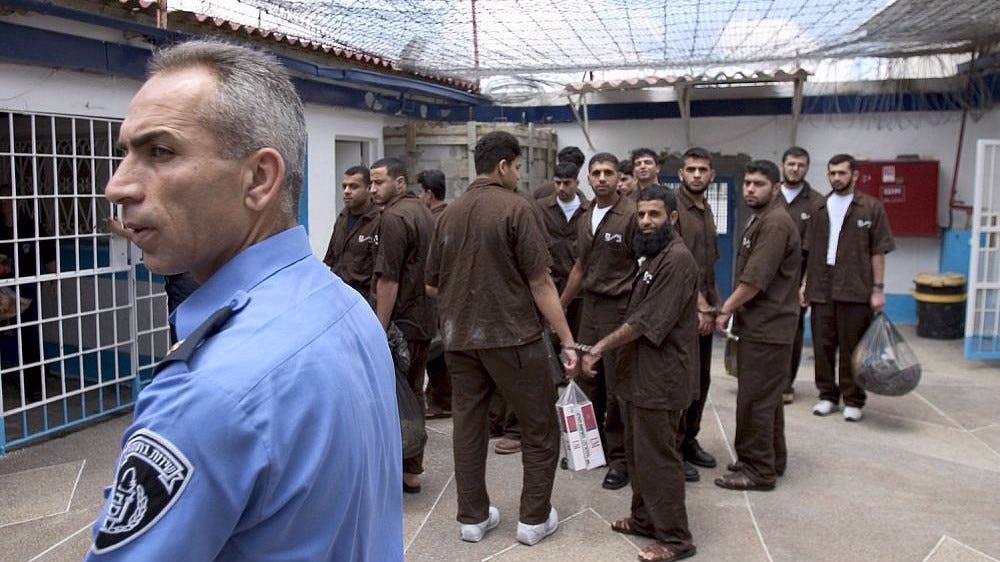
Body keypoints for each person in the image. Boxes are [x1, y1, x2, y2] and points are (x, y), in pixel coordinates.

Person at [87, 40, 402, 561]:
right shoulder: (345, 306)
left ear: (258, 179)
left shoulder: (206, 394)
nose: (117, 186)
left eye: (159, 152)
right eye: (125, 153)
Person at [425, 130, 577, 546]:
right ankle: (533, 519)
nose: (518, 174)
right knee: (540, 425)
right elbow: (541, 282)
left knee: (469, 427)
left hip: (459, 339)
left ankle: (472, 519)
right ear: (504, 166)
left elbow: (433, 284)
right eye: (518, 167)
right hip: (512, 337)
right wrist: (565, 338)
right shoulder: (516, 207)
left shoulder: (450, 214)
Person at [582, 186, 698, 562]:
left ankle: (676, 539)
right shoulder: (654, 255)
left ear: (673, 218)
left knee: (658, 458)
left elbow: (646, 322)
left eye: (655, 215)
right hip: (639, 376)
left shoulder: (677, 259)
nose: (646, 222)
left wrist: (600, 346)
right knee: (637, 453)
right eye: (643, 215)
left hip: (660, 380)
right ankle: (644, 519)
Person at [714, 160, 800, 492]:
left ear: (776, 188)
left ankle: (758, 470)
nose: (750, 188)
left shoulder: (775, 223)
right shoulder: (763, 219)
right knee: (766, 398)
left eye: (759, 183)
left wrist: (725, 310)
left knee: (756, 400)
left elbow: (755, 280)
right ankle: (770, 458)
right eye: (747, 182)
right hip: (764, 325)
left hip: (768, 326)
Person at [560, 153, 637, 491]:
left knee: (619, 385)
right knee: (588, 380)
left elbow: (643, 266)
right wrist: (560, 307)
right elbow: (580, 266)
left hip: (620, 309)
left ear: (619, 177)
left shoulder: (632, 214)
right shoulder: (587, 214)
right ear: (588, 179)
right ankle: (593, 447)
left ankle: (620, 459)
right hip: (590, 309)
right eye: (596, 173)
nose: (602, 178)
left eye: (608, 173)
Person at [802, 153, 894, 422]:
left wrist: (878, 288)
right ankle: (827, 396)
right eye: (832, 173)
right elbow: (810, 250)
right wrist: (805, 283)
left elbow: (878, 251)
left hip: (855, 284)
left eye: (842, 173)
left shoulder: (871, 208)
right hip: (822, 284)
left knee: (852, 346)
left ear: (855, 175)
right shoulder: (819, 207)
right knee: (823, 344)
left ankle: (853, 399)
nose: (836, 178)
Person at [370, 156, 436, 493]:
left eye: (379, 182)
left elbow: (388, 280)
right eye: (371, 182)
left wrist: (378, 329)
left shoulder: (394, 217)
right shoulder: (422, 210)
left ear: (399, 182)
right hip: (424, 319)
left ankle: (400, 467)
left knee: (394, 396)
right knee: (413, 392)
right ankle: (412, 469)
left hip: (402, 325)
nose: (372, 189)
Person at [672, 147, 722, 483]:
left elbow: (708, 266)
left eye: (703, 170)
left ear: (711, 175)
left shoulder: (706, 210)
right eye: (691, 169)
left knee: (701, 380)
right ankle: (672, 449)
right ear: (680, 174)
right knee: (682, 383)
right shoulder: (674, 209)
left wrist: (716, 309)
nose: (697, 175)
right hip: (683, 310)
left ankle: (689, 440)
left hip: (706, 307)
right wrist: (701, 306)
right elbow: (681, 265)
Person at [0, 183, 56, 403]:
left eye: (9, 198)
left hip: (25, 290)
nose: (5, 203)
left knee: (29, 336)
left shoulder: (30, 226)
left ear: (19, 201)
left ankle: (34, 386)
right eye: (2, 198)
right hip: (2, 291)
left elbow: (48, 251)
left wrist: (53, 278)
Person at [778, 146, 824, 404]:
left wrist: (805, 283)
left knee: (792, 331)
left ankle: (785, 385)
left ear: (806, 168)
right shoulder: (770, 194)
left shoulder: (816, 202)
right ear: (783, 165)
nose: (795, 169)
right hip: (767, 276)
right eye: (791, 164)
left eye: (800, 165)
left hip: (796, 279)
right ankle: (763, 380)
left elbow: (815, 249)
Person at [108, 218, 200, 344]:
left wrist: (120, 231)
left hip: (184, 282)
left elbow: (154, 240)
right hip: (192, 280)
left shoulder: (181, 222)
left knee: (184, 339)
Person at [416, 168, 451, 420]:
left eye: (420, 192)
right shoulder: (449, 215)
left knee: (437, 351)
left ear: (428, 193)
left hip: (437, 293)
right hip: (445, 291)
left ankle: (440, 399)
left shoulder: (434, 220)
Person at [323, 165, 379, 301]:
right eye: (344, 186)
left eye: (354, 187)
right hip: (338, 297)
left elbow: (383, 275)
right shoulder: (342, 218)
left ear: (369, 188)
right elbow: (332, 260)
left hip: (364, 301)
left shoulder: (379, 220)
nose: (347, 191)